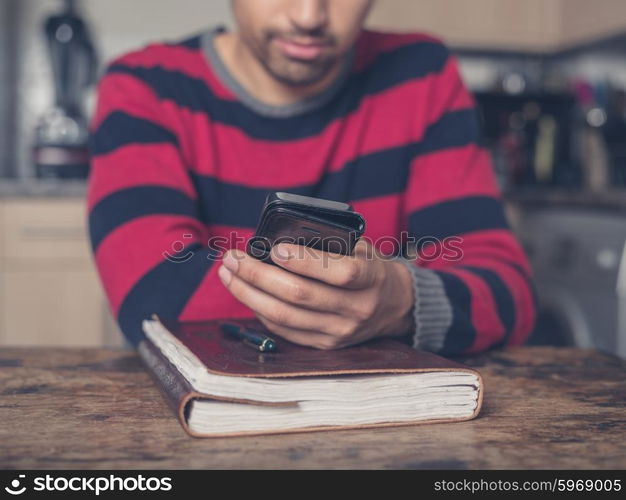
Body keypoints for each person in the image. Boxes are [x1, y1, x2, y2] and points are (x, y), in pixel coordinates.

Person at [88, 0, 536, 355]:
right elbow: (152, 298)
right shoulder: (144, 85)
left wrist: (402, 301)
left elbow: (508, 292)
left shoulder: (422, 74)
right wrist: (361, 305)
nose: (309, 16)